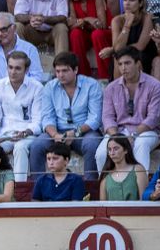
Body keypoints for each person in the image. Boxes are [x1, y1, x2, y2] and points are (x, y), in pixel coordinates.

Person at [25, 55, 102, 183]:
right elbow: (47, 117)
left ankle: (91, 188)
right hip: (58, 131)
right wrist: (55, 134)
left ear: (76, 70)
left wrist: (75, 132)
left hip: (84, 132)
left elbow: (95, 118)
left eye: (65, 71)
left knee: (92, 144)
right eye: (58, 71)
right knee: (37, 145)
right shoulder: (50, 87)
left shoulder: (91, 85)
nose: (60, 75)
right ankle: (37, 188)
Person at [96, 47, 160, 173]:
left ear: (138, 64)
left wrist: (133, 136)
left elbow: (153, 118)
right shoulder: (111, 88)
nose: (123, 68)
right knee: (101, 153)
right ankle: (105, 189)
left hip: (147, 131)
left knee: (141, 145)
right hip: (119, 131)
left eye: (127, 63)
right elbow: (107, 117)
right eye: (120, 64)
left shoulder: (155, 85)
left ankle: (140, 188)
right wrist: (116, 137)